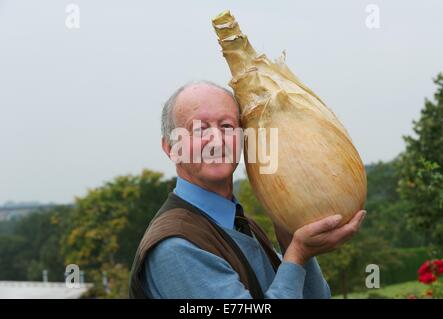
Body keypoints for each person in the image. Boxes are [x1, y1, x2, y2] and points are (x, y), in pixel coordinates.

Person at [129, 81, 366, 299]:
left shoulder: (243, 225)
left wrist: (292, 244)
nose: (217, 139)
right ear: (170, 147)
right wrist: (296, 255)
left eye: (227, 126)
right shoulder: (176, 245)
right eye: (199, 129)